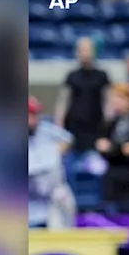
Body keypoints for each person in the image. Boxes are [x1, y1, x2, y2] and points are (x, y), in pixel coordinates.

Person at [96, 83, 129, 213]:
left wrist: (114, 148)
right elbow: (104, 148)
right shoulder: (109, 123)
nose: (116, 102)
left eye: (120, 98)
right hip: (113, 176)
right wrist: (119, 149)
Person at [54, 37, 110, 154]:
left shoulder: (102, 76)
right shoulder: (72, 76)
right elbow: (63, 102)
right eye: (81, 50)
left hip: (95, 128)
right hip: (73, 128)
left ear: (93, 52)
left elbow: (107, 102)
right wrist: (59, 126)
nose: (84, 53)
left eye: (87, 50)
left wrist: (107, 128)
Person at [28, 96, 76, 229]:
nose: (33, 119)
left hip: (51, 196)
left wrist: (53, 152)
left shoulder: (46, 129)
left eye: (35, 114)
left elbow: (68, 140)